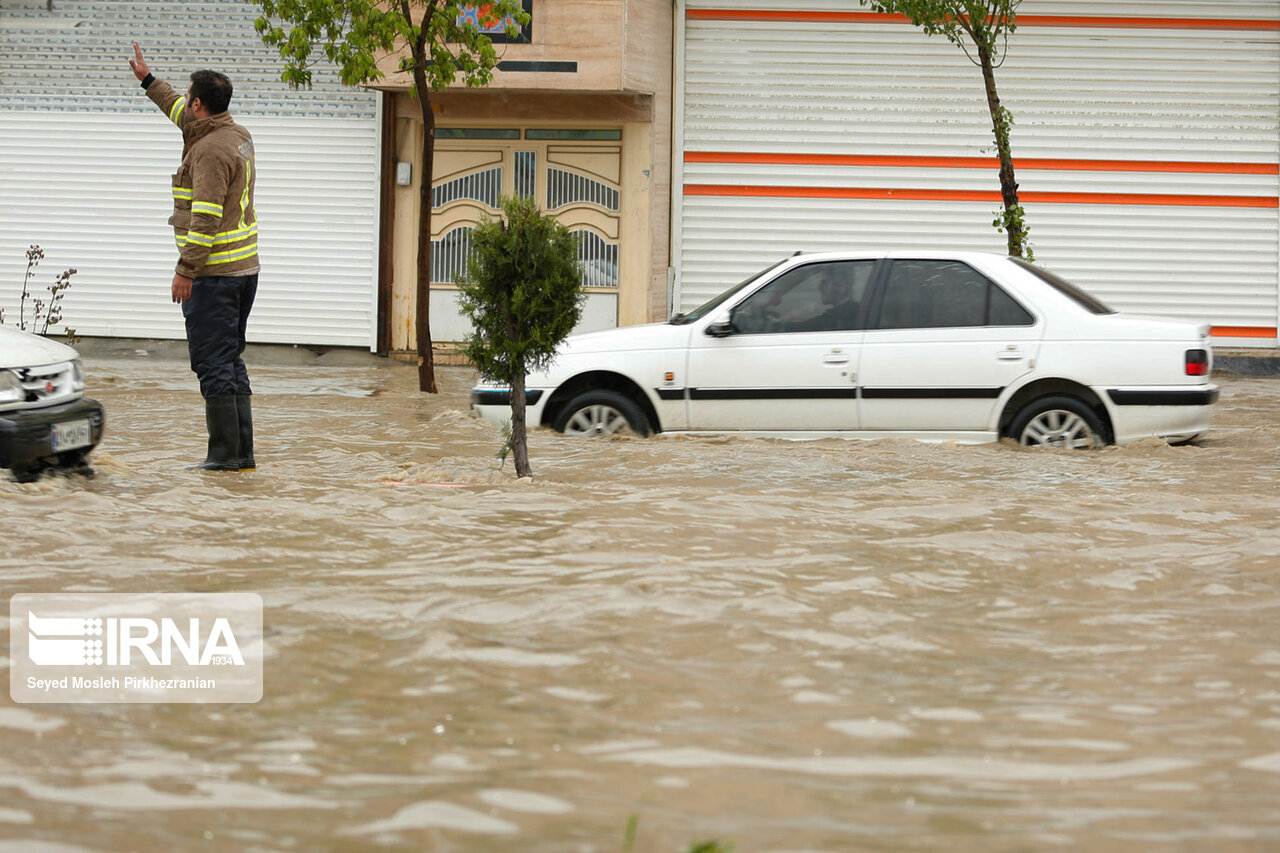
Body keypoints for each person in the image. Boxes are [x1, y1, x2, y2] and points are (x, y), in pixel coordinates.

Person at [129, 42, 258, 472]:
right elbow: (176, 110)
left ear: (199, 104)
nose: (184, 102)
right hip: (242, 271)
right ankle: (241, 457)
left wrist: (185, 271)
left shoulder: (209, 152)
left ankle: (222, 459)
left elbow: (204, 218)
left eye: (189, 97)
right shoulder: (234, 134)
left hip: (214, 274)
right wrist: (149, 81)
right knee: (230, 360)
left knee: (212, 363)